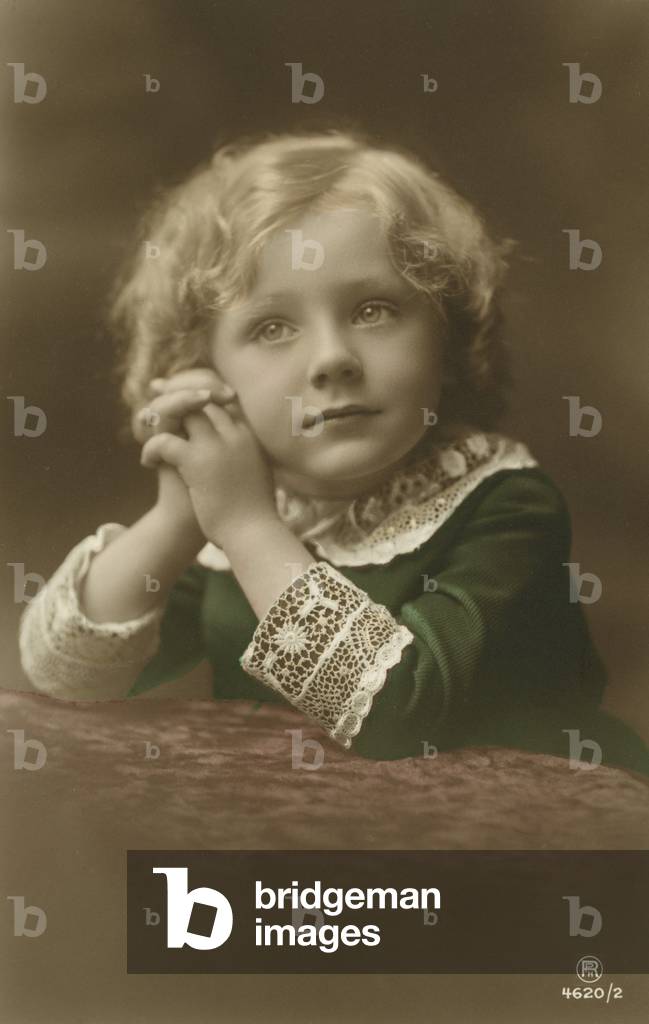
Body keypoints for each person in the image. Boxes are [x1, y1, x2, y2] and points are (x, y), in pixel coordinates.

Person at [18, 129, 649, 776]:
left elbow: (398, 711)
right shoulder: (248, 513)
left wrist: (247, 526)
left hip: (532, 816)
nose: (332, 359)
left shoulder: (505, 505)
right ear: (204, 373)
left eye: (373, 311)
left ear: (447, 340)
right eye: (272, 327)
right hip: (311, 820)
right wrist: (178, 519)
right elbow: (70, 676)